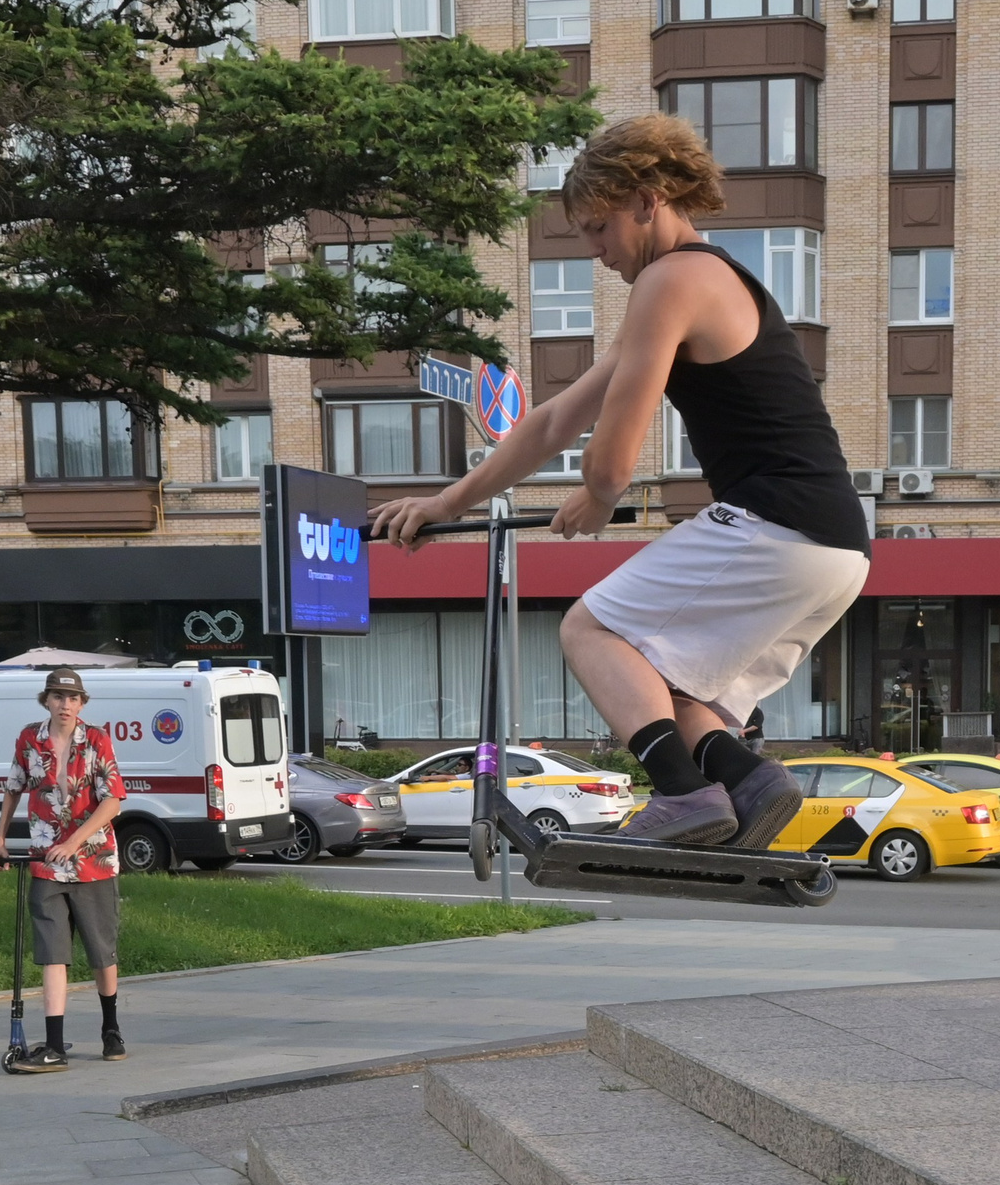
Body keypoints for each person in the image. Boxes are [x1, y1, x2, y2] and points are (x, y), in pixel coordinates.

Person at [369, 114, 869, 851]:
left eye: (599, 229)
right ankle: (748, 781)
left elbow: (610, 459)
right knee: (673, 687)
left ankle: (679, 795)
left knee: (592, 626)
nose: (596, 252)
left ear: (647, 198)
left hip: (778, 523)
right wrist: (447, 502)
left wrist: (599, 494)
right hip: (839, 552)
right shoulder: (710, 281)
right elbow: (549, 423)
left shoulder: (673, 278)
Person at [0, 668, 128, 1071]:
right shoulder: (30, 738)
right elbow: (14, 786)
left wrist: (73, 842)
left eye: (72, 698)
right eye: (58, 697)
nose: (65, 705)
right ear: (45, 700)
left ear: (81, 703)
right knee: (52, 953)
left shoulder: (97, 740)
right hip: (46, 861)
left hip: (94, 860)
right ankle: (54, 1046)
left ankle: (111, 1028)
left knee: (102, 953)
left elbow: (112, 801)